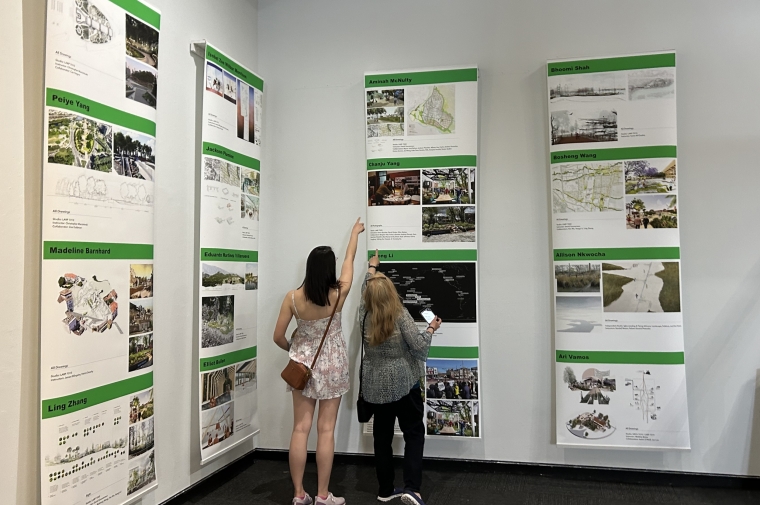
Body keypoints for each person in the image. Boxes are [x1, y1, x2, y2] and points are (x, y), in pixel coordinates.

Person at [273, 218, 365, 505]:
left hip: (304, 365)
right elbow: (350, 258)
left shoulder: (293, 298)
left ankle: (299, 495)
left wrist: (295, 352)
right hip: (333, 365)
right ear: (329, 270)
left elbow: (277, 336)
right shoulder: (338, 293)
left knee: (300, 428)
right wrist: (354, 234)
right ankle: (324, 495)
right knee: (326, 430)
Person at [360, 250, 442, 505]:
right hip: (404, 384)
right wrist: (431, 328)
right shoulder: (400, 313)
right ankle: (412, 489)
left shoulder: (363, 312)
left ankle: (384, 490)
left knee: (381, 438)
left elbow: (367, 286)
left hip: (375, 387)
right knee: (414, 434)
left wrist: (372, 267)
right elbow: (418, 346)